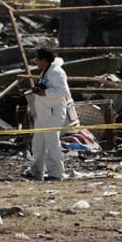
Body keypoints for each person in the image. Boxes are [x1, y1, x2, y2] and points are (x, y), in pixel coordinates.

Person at [24, 47, 73, 181]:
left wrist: (45, 92)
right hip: (43, 113)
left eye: (37, 58)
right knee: (38, 143)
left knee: (52, 143)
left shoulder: (57, 72)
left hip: (53, 113)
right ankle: (36, 170)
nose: (36, 61)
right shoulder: (45, 72)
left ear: (44, 60)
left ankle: (56, 172)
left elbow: (63, 91)